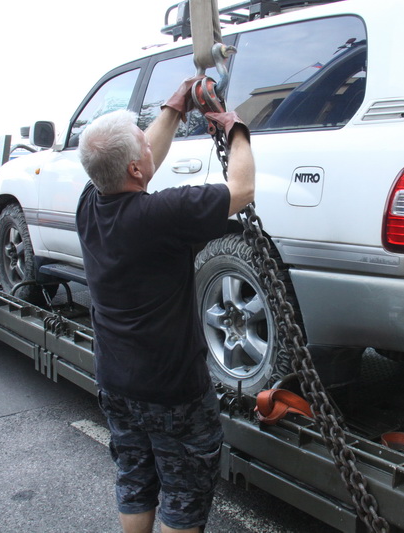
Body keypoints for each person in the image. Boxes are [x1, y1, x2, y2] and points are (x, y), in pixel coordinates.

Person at [75, 77, 255, 533]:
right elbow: (243, 188)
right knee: (183, 495)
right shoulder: (164, 215)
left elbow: (134, 161)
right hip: (173, 391)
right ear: (136, 169)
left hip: (116, 382)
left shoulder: (89, 205)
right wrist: (235, 129)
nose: (150, 148)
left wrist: (174, 108)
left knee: (135, 478)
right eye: (144, 146)